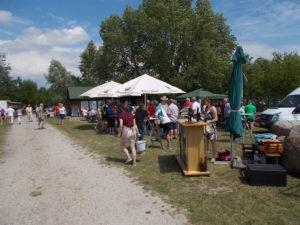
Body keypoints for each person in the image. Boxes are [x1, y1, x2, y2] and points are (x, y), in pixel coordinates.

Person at [118, 102, 139, 166]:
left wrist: (119, 133)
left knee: (122, 145)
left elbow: (121, 125)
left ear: (122, 108)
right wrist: (137, 132)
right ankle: (134, 163)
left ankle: (129, 158)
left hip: (126, 131)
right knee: (133, 147)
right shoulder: (132, 115)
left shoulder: (121, 115)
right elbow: (135, 124)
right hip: (133, 131)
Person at [202, 97, 218, 163]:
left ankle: (214, 157)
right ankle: (205, 155)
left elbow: (216, 118)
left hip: (212, 127)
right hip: (206, 127)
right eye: (204, 101)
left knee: (213, 142)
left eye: (205, 101)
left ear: (209, 101)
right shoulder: (206, 108)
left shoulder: (213, 108)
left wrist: (210, 121)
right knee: (205, 142)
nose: (204, 102)